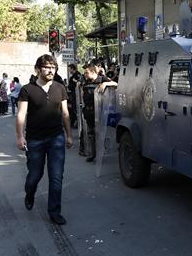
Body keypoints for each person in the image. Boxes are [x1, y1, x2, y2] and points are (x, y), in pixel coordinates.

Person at [16, 54, 73, 225]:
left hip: (56, 138)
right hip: (35, 140)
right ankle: (30, 192)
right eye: (47, 67)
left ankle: (54, 212)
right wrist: (20, 136)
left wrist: (69, 135)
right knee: (35, 174)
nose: (51, 70)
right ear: (38, 69)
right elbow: (21, 114)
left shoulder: (59, 87)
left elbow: (65, 113)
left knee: (56, 176)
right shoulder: (27, 89)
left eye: (53, 67)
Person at [82, 64, 117, 162]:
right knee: (91, 134)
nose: (85, 74)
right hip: (89, 111)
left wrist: (105, 84)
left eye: (87, 72)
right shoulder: (86, 81)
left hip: (99, 111)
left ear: (93, 72)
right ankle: (93, 154)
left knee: (101, 133)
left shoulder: (102, 79)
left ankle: (102, 152)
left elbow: (115, 83)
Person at [67, 64, 82, 128]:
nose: (69, 70)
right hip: (73, 94)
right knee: (73, 108)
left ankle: (76, 123)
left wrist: (75, 81)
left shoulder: (77, 75)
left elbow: (80, 83)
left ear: (73, 68)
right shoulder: (72, 76)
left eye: (69, 69)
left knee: (76, 108)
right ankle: (73, 123)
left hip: (77, 94)